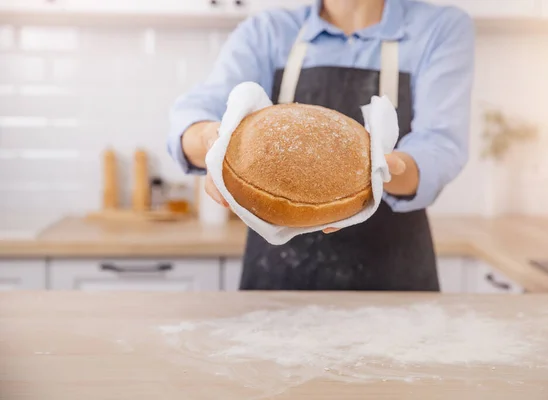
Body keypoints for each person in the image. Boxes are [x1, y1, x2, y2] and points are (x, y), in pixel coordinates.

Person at [167, 0, 474, 291]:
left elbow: (440, 144)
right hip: (277, 281)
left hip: (393, 275)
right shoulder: (268, 31)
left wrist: (386, 171)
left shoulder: (439, 28)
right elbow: (194, 117)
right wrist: (214, 141)